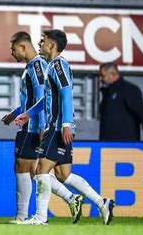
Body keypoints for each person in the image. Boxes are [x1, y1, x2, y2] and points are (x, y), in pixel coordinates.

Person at [14, 29, 114, 225]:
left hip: (57, 127)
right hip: (60, 126)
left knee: (40, 171)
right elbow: (47, 100)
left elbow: (67, 94)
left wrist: (65, 124)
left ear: (53, 46)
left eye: (43, 41)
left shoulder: (59, 65)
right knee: (63, 175)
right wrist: (29, 113)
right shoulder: (52, 66)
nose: (40, 44)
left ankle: (41, 217)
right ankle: (102, 203)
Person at [2, 31, 82, 224]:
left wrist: (42, 127)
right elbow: (35, 100)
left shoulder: (38, 66)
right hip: (31, 125)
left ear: (23, 47)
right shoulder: (33, 66)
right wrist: (16, 113)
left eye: (14, 49)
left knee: (29, 169)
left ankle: (24, 216)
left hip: (34, 128)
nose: (12, 54)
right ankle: (71, 199)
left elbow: (43, 98)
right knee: (32, 170)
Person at [98, 62, 143, 141]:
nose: (100, 79)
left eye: (102, 76)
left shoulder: (128, 90)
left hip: (126, 143)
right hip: (107, 144)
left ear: (112, 75)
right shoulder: (107, 93)